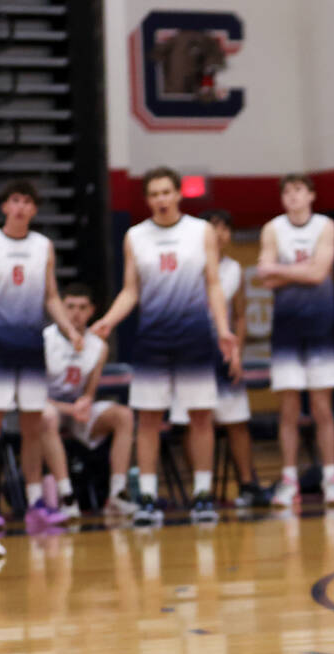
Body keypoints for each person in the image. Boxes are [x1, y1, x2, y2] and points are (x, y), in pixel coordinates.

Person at [90, 166, 238, 526]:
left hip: (194, 336)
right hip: (153, 339)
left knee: (201, 415)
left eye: (165, 192)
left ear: (177, 195)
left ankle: (202, 495)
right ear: (147, 199)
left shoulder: (200, 232)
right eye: (153, 194)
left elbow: (214, 284)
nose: (160, 199)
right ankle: (148, 499)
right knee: (148, 419)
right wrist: (109, 319)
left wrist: (223, 329)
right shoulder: (135, 237)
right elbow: (131, 290)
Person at [0, 179, 82, 529]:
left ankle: (37, 498)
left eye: (27, 201)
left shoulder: (43, 246)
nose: (21, 206)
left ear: (35, 209)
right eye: (15, 200)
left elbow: (51, 295)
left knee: (33, 426)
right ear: (5, 206)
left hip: (30, 347)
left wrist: (69, 329)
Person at [256, 173, 334, 508]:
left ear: (311, 195)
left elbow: (319, 273)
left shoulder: (325, 225)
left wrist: (281, 270)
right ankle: (289, 480)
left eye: (299, 190)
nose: (293, 197)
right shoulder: (272, 228)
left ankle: (331, 478)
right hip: (286, 331)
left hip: (320, 328)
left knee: (323, 408)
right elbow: (263, 276)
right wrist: (301, 270)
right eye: (287, 192)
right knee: (289, 411)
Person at [168, 209, 268, 508]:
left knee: (237, 420)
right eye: (214, 227)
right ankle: (202, 489)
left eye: (225, 228)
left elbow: (240, 316)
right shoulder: (186, 265)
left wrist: (236, 351)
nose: (220, 233)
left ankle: (248, 485)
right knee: (193, 421)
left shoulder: (234, 269)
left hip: (222, 353)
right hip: (190, 353)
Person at [41, 282, 138, 518]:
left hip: (76, 411)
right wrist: (69, 407)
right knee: (46, 416)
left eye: (82, 307)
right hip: (48, 409)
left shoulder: (98, 347)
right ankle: (67, 496)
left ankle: (117, 493)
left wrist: (85, 402)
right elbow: (33, 396)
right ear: (59, 309)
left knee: (123, 415)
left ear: (92, 311)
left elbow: (89, 392)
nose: (76, 313)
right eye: (70, 306)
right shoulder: (44, 340)